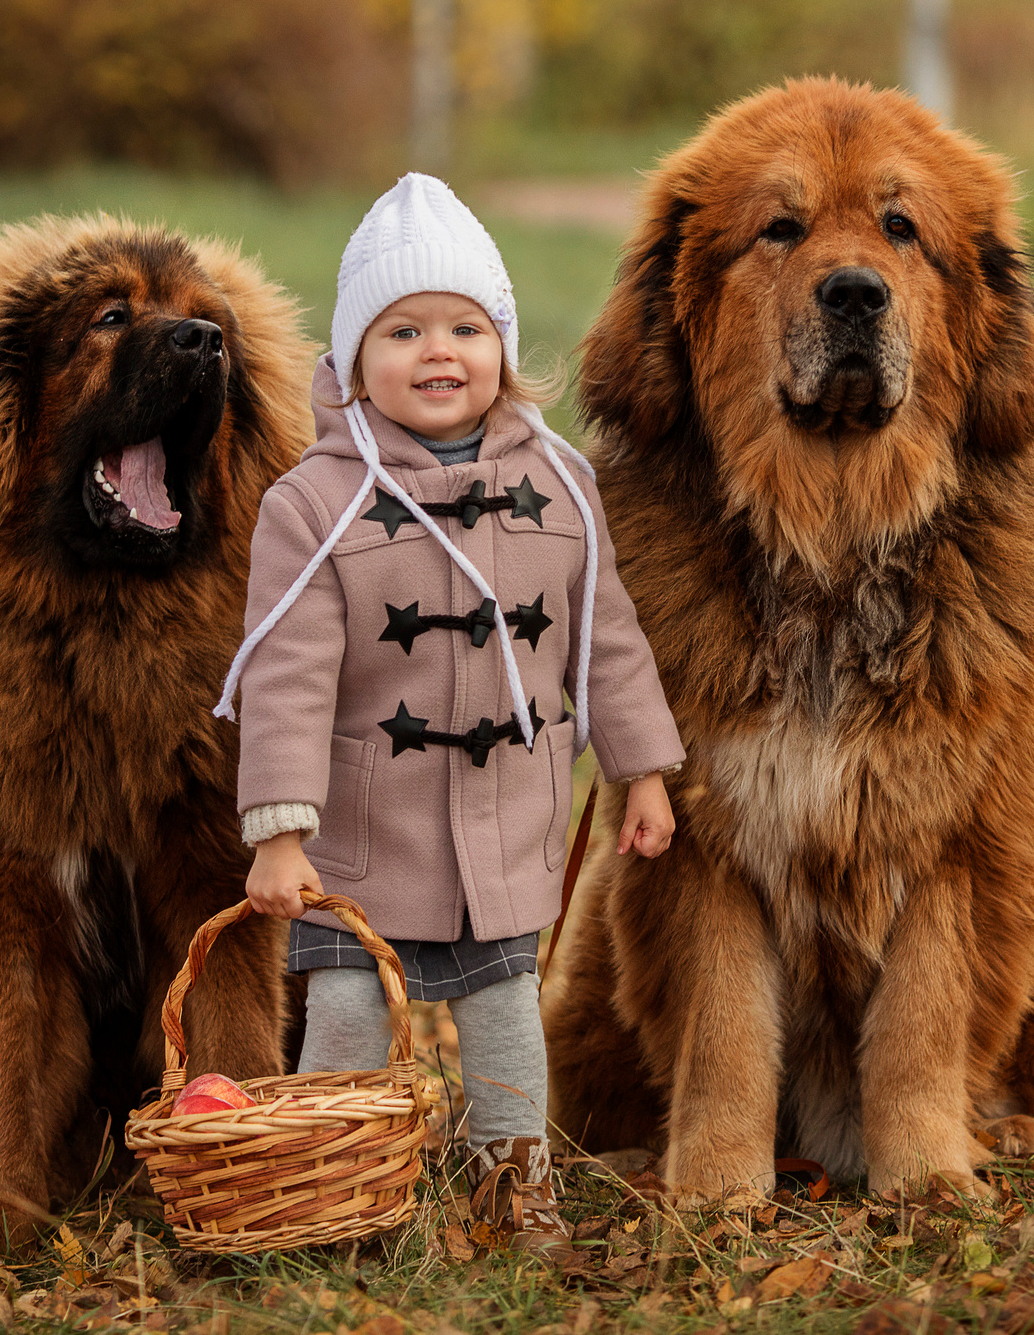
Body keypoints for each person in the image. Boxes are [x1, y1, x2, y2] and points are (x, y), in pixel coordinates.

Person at [215, 171, 683, 1261]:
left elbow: (605, 636)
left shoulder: (560, 486)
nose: (439, 350)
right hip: (365, 838)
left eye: (466, 325)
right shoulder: (314, 503)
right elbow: (286, 672)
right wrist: (280, 828)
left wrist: (642, 769)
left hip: (502, 828)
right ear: (352, 360)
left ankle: (512, 1196)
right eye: (403, 328)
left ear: (503, 347)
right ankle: (340, 1191)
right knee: (342, 1019)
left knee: (506, 1024)